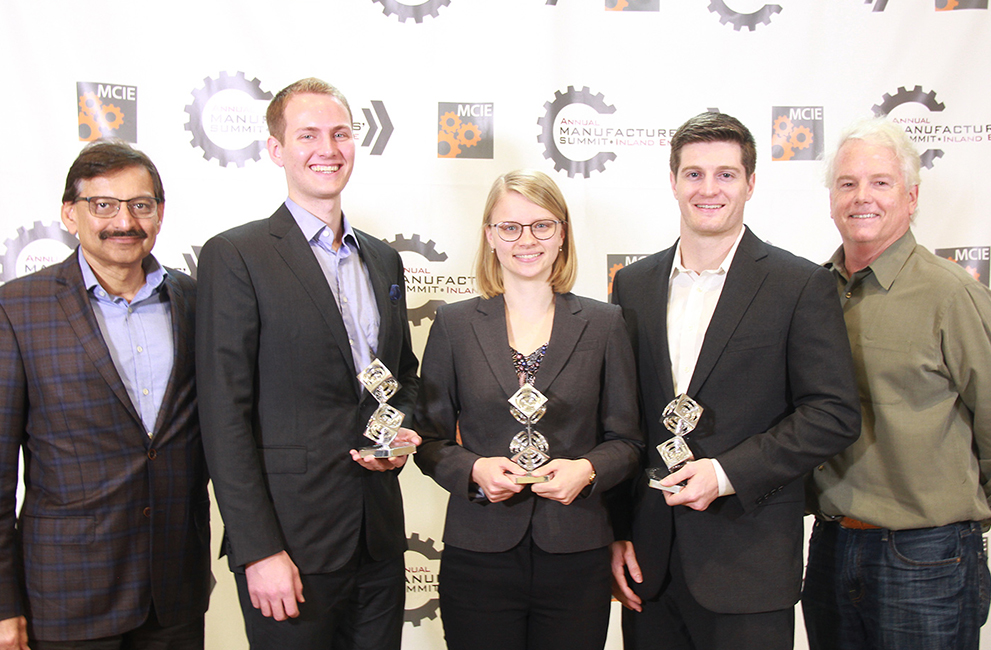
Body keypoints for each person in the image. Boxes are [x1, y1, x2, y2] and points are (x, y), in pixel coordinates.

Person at [609, 112, 861, 650]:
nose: (709, 189)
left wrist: (725, 472)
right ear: (673, 181)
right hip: (650, 563)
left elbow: (832, 413)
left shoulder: (800, 284)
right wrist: (619, 531)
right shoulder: (632, 284)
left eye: (726, 174)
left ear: (750, 183)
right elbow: (621, 421)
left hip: (748, 564)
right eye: (694, 173)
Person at [195, 78, 420, 650]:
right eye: (309, 135)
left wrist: (400, 430)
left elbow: (402, 377)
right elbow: (224, 414)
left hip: (378, 539)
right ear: (277, 150)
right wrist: (258, 549)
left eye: (341, 133)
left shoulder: (383, 258)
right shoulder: (237, 255)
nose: (329, 148)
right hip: (289, 547)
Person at [414, 169, 643, 650]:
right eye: (510, 227)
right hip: (479, 552)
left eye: (542, 225)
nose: (526, 240)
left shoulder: (605, 324)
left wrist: (586, 469)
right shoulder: (454, 325)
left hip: (576, 551)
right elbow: (429, 442)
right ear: (489, 237)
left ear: (562, 234)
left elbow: (628, 441)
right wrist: (474, 469)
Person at [0, 140, 210, 649]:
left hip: (174, 590)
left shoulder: (198, 302)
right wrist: (4, 605)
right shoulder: (17, 308)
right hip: (68, 595)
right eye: (104, 205)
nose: (125, 221)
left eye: (140, 205)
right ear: (70, 214)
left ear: (160, 214)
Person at [802, 117, 991, 650]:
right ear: (831, 198)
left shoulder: (951, 295)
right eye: (847, 183)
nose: (861, 197)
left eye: (880, 182)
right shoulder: (813, 293)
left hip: (926, 557)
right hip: (831, 546)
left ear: (911, 197)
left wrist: (956, 526)